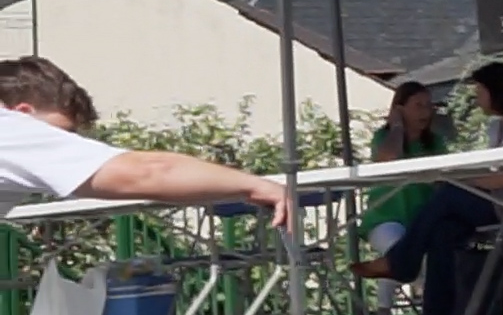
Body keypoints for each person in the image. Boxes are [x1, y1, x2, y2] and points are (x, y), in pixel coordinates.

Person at [350, 62, 503, 315]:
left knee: (448, 196)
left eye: (479, 92)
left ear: (495, 91)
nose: (477, 99)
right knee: (443, 230)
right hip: (500, 205)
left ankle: (400, 263)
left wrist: (464, 182)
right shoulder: (498, 127)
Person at [0, 56, 289, 226]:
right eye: (64, 133)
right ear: (23, 113)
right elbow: (147, 172)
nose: (68, 143)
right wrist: (256, 185)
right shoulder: (13, 130)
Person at [360, 82, 451, 315]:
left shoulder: (435, 143)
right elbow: (387, 160)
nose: (425, 112)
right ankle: (384, 312)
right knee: (398, 249)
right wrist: (397, 127)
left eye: (429, 106)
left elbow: (444, 179)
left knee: (425, 253)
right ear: (400, 109)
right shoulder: (384, 138)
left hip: (422, 221)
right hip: (384, 217)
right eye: (418, 106)